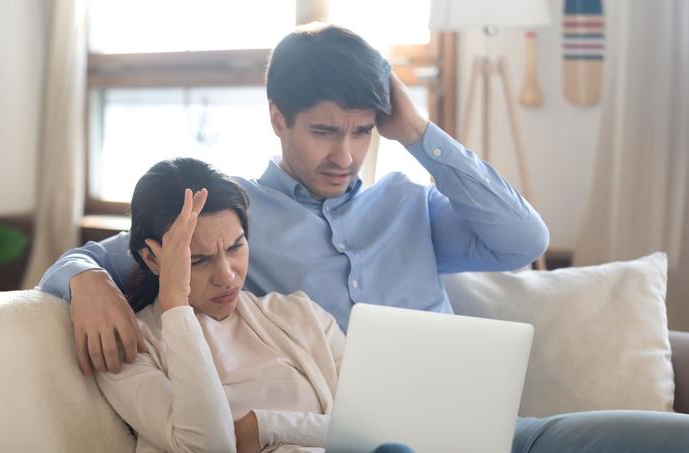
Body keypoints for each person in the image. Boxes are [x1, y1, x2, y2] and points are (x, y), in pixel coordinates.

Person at [41, 23, 689, 453]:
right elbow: (119, 255)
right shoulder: (229, 216)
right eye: (325, 131)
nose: (345, 155)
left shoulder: (408, 203)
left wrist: (416, 132)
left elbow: (523, 238)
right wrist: (88, 279)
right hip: (350, 438)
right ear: (277, 119)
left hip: (484, 429)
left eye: (361, 131)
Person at [97, 157, 414, 453]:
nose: (227, 276)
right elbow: (208, 446)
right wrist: (176, 305)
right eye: (198, 260)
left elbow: (373, 428)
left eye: (236, 247)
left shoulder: (301, 315)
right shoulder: (129, 348)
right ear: (153, 258)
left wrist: (264, 427)